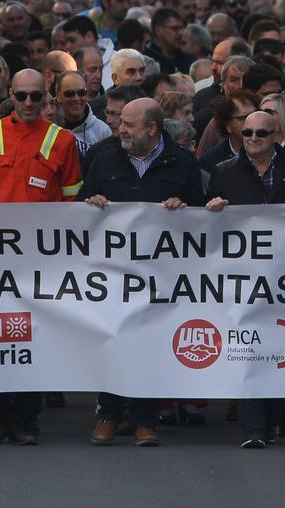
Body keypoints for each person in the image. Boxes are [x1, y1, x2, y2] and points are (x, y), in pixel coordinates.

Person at [0, 68, 83, 444]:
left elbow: (72, 201)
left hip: (41, 264)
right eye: (21, 96)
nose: (27, 103)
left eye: (35, 97)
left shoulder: (62, 140)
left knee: (34, 341)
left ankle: (27, 419)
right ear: (10, 94)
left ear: (47, 98)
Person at [80, 98, 204, 446]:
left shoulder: (182, 165)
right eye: (120, 121)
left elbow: (201, 218)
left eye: (129, 124)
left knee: (151, 342)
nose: (121, 128)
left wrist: (184, 209)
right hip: (114, 272)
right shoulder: (104, 160)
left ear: (152, 128)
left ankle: (145, 421)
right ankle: (109, 413)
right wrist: (91, 205)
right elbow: (81, 209)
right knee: (113, 338)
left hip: (161, 274)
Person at [204, 109, 285, 448]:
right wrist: (210, 211)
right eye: (247, 132)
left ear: (276, 136)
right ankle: (253, 428)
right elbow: (203, 227)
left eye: (261, 133)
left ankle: (280, 417)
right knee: (248, 349)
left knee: (280, 348)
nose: (252, 138)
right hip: (244, 280)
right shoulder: (223, 173)